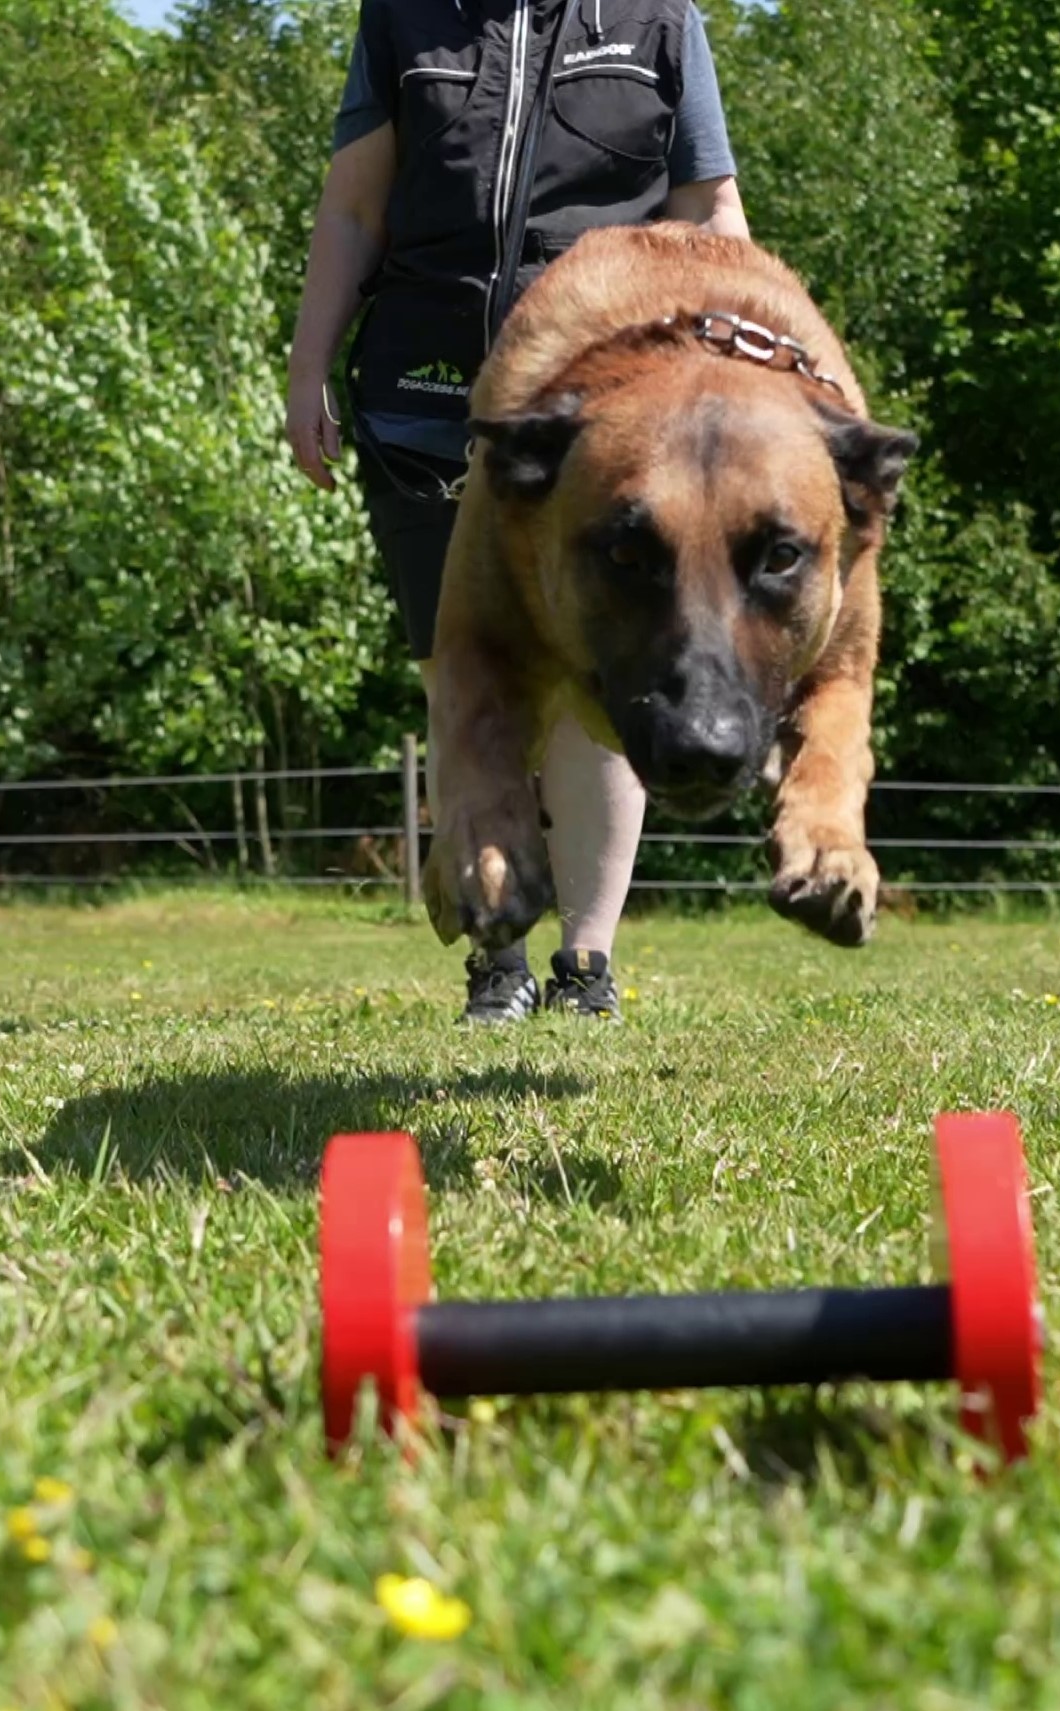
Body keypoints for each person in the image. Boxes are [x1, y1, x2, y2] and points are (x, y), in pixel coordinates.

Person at [285, 0, 750, 1024]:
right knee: (467, 685)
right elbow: (354, 208)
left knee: (597, 691)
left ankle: (586, 965)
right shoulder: (403, 19)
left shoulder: (660, 19)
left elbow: (710, 212)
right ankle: (499, 961)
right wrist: (308, 363)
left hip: (608, 410)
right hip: (423, 403)